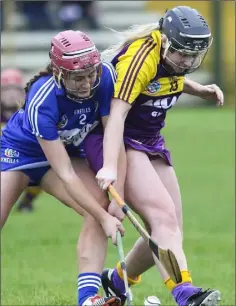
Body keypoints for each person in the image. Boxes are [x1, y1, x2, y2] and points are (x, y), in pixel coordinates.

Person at [84, 6, 223, 306]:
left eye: (193, 56)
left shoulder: (171, 60)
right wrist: (111, 170)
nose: (187, 62)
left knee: (171, 228)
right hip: (120, 139)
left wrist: (199, 90)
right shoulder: (141, 56)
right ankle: (185, 293)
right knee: (162, 217)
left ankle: (117, 279)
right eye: (182, 54)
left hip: (150, 139)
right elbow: (116, 116)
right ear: (166, 42)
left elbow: (167, 80)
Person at [1, 30, 125, 306]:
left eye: (91, 75)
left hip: (66, 151)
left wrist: (119, 196)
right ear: (59, 72)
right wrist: (106, 221)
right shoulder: (42, 99)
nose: (87, 83)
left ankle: (88, 299)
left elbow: (114, 137)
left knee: (100, 204)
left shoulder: (104, 76)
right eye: (78, 78)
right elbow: (66, 173)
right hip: (20, 153)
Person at [1, 68, 41, 212]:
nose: (11, 94)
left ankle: (25, 203)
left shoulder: (28, 111)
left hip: (21, 157)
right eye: (7, 90)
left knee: (41, 168)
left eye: (15, 89)